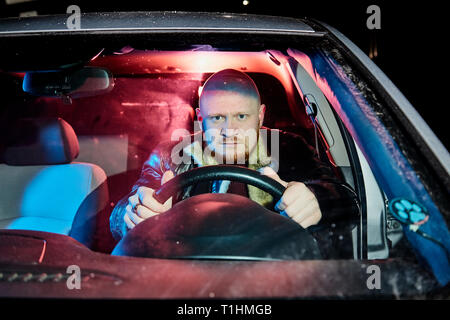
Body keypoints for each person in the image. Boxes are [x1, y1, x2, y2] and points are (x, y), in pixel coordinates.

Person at [110, 69, 360, 248]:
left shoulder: (288, 147)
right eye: (217, 117)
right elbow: (128, 207)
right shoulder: (171, 153)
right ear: (200, 117)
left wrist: (317, 201)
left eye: (241, 116)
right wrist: (133, 214)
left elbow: (348, 202)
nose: (229, 130)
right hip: (184, 270)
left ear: (260, 116)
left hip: (272, 271)